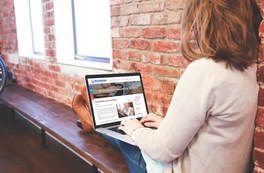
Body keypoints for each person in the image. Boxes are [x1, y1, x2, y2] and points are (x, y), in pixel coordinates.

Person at [103, 0, 263, 173]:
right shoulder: (252, 70)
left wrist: (135, 130)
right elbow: (216, 130)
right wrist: (166, 125)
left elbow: (162, 151)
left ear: (206, 22)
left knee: (118, 137)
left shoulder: (205, 70)